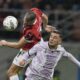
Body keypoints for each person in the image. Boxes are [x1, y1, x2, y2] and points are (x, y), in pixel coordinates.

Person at [0, 8, 54, 80]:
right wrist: (45, 26)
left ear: (32, 22)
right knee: (15, 72)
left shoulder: (31, 32)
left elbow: (18, 45)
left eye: (27, 23)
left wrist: (5, 43)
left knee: (11, 72)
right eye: (25, 20)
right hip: (38, 43)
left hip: (30, 49)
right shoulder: (35, 11)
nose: (25, 23)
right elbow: (45, 17)